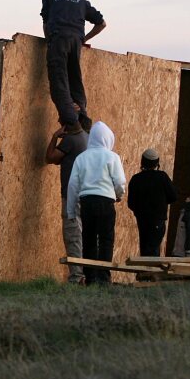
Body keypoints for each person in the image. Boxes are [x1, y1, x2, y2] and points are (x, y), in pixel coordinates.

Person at [41, 0, 106, 133]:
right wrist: (83, 39)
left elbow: (46, 23)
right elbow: (102, 23)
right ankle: (83, 119)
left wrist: (50, 42)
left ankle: (73, 128)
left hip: (59, 38)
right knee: (74, 80)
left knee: (60, 83)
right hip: (76, 40)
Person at [66, 121, 126, 285]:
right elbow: (120, 182)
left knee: (89, 238)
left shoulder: (81, 157)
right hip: (106, 201)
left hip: (87, 202)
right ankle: (104, 278)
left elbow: (72, 185)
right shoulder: (112, 157)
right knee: (106, 239)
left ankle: (90, 278)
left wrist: (71, 211)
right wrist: (118, 195)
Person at [45, 124, 89, 284]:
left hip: (72, 196)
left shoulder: (71, 139)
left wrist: (55, 136)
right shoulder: (87, 138)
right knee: (83, 235)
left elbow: (50, 157)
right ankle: (86, 275)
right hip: (87, 196)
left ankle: (77, 277)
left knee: (73, 235)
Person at [127, 148, 177, 256]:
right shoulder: (162, 177)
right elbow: (173, 196)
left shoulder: (136, 179)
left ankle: (144, 271)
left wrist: (139, 211)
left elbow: (131, 203)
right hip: (158, 220)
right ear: (157, 163)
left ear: (142, 162)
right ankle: (151, 272)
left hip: (142, 220)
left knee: (144, 248)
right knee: (153, 249)